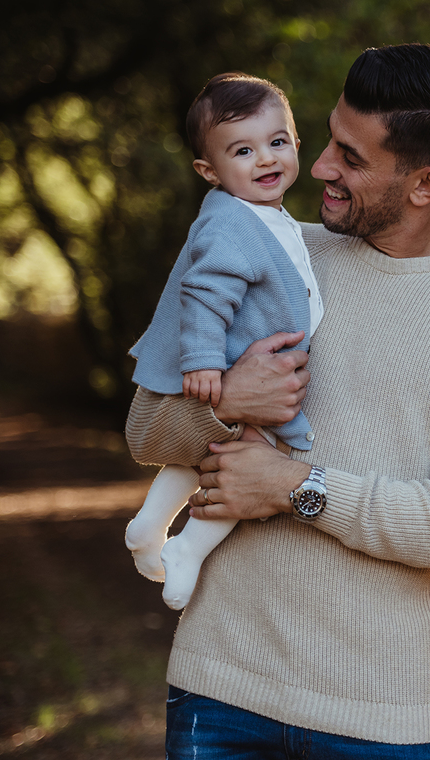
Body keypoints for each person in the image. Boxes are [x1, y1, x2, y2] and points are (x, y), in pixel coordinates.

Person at [125, 44, 430, 759]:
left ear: (424, 184)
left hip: (383, 722)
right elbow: (145, 429)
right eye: (324, 138)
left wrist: (295, 487)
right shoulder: (263, 242)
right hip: (220, 689)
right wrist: (227, 401)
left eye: (350, 157)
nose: (317, 166)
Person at [125, 72, 324, 611]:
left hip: (241, 366)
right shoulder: (230, 224)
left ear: (296, 144)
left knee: (204, 454)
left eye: (277, 142)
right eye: (243, 150)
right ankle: (188, 546)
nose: (265, 159)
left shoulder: (269, 217)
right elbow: (205, 291)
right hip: (231, 366)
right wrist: (205, 361)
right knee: (250, 462)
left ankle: (149, 526)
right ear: (209, 171)